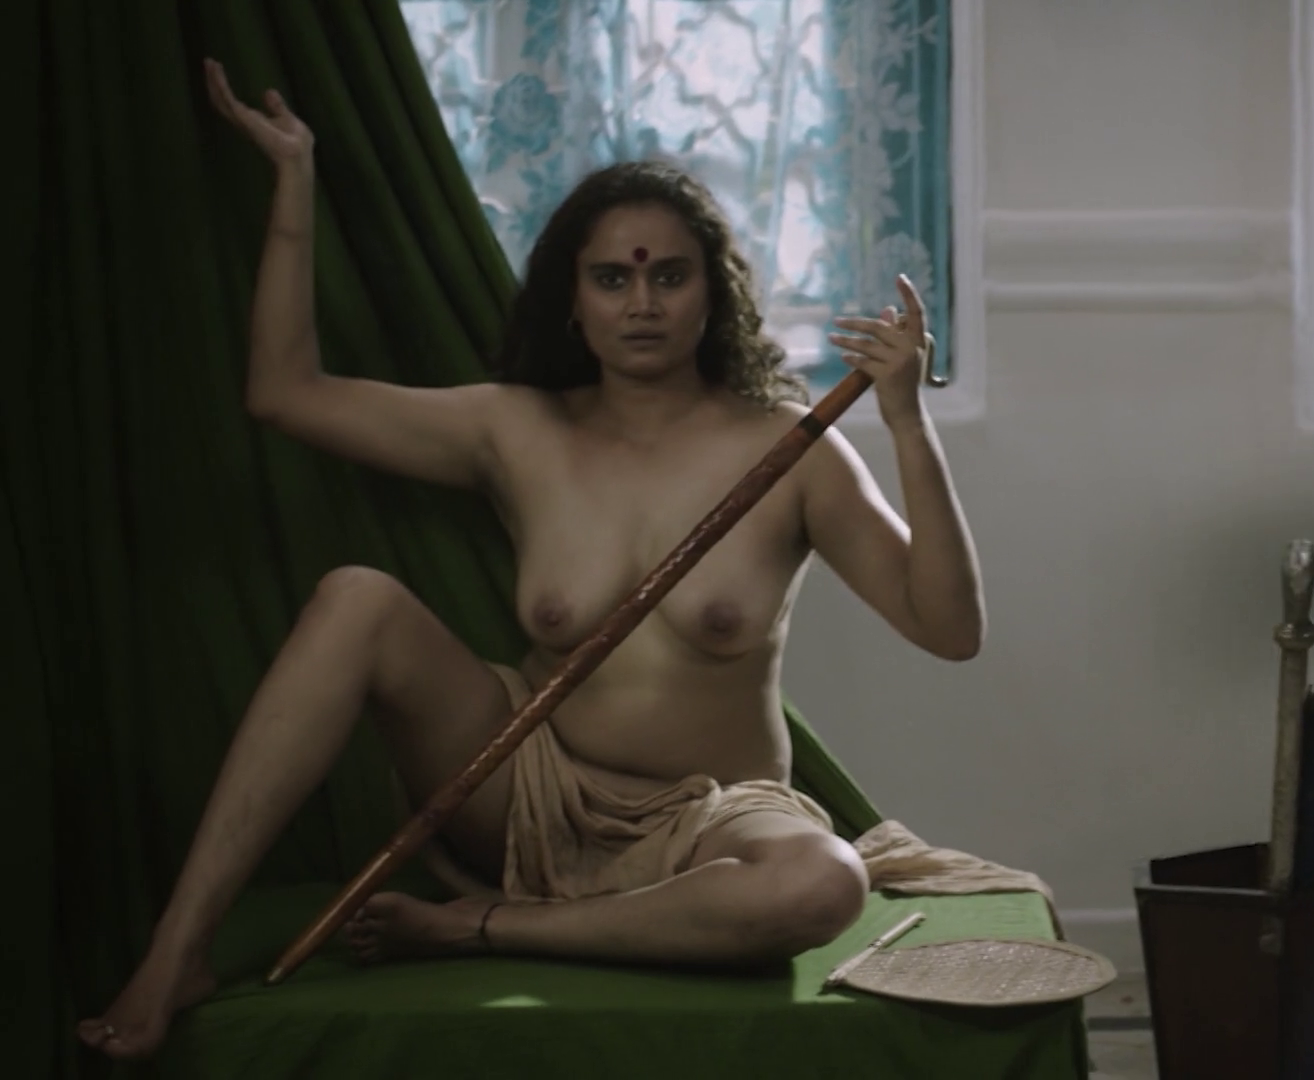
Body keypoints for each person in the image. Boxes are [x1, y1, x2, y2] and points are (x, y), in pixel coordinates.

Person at [76, 57, 985, 1063]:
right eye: (612, 278)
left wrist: (906, 422)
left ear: (712, 295)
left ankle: (484, 928)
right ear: (572, 301)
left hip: (712, 826)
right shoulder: (515, 430)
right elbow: (285, 394)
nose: (641, 302)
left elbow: (949, 630)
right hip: (522, 793)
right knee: (356, 599)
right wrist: (294, 179)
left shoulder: (791, 446)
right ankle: (177, 955)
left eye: (669, 275)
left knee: (822, 883)